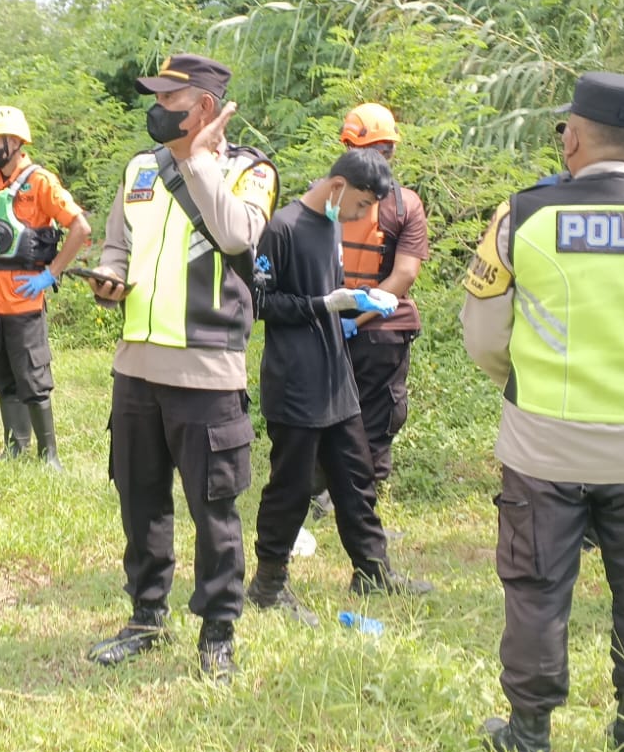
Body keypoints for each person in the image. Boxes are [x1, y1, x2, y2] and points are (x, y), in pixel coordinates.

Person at [462, 72, 624, 752]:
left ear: (573, 137)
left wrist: (530, 384)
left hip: (544, 445)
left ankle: (529, 736)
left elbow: (485, 339)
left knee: (537, 585)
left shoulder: (523, 215)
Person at [84, 54, 277, 681]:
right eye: (155, 95)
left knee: (213, 507)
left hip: (207, 371)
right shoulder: (140, 169)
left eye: (171, 98)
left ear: (203, 108)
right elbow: (118, 242)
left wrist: (198, 162)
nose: (157, 107)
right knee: (139, 500)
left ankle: (218, 631)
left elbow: (238, 237)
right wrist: (110, 275)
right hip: (137, 366)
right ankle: (145, 615)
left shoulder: (250, 171)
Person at [248, 148, 433, 627]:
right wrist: (321, 305)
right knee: (291, 486)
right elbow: (260, 302)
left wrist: (356, 304)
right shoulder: (283, 228)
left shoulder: (331, 225)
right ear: (337, 187)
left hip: (336, 374)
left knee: (356, 476)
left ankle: (373, 570)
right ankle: (268, 582)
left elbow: (330, 296)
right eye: (359, 206)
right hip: (295, 378)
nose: (360, 218)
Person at [0, 105, 91, 470]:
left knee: (33, 379)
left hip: (23, 298)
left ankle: (48, 455)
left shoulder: (41, 183)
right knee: (1, 376)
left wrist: (51, 273)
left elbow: (80, 228)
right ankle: (15, 448)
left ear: (15, 142)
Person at [330, 102, 432, 508]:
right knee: (374, 417)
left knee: (333, 409)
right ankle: (356, 499)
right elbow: (403, 277)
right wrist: (357, 318)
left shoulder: (325, 196)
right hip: (375, 328)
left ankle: (338, 496)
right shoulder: (405, 203)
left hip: (339, 323)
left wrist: (349, 318)